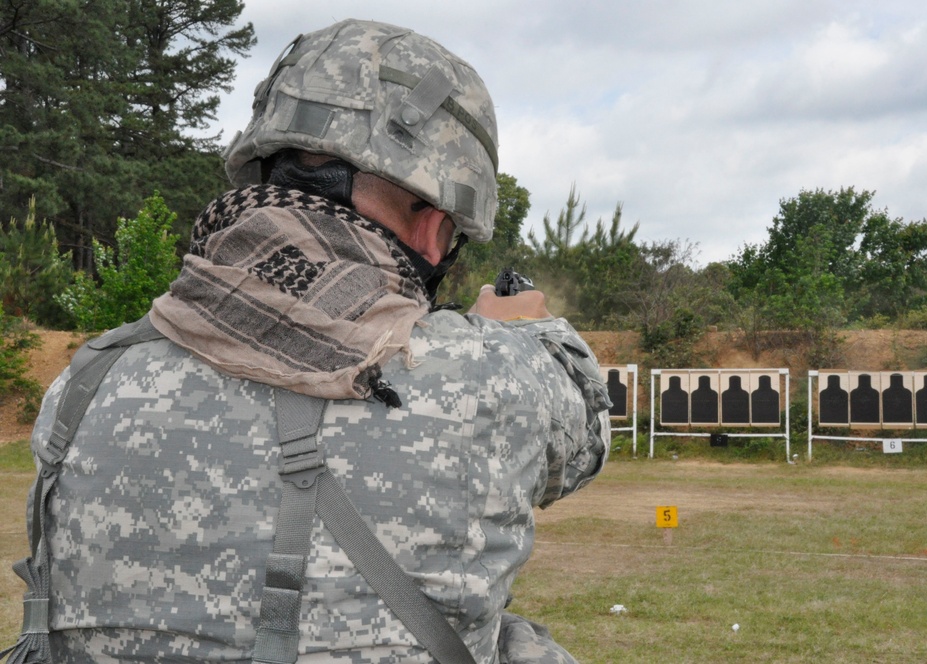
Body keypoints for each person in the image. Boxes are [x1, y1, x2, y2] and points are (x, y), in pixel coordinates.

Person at [6, 18, 611, 664]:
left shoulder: (85, 383)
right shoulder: (489, 377)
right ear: (436, 232)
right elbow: (584, 430)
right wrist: (511, 332)